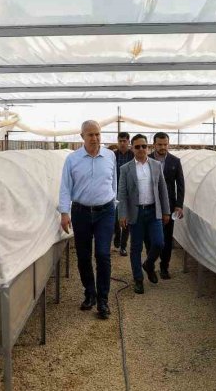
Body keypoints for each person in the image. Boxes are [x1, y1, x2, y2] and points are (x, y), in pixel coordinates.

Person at [59, 120, 117, 319]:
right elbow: (65, 187)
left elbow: (113, 183)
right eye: (90, 135)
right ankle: (89, 293)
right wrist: (64, 213)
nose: (94, 138)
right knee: (83, 256)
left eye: (97, 134)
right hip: (81, 212)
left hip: (105, 211)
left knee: (102, 254)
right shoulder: (72, 159)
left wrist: (114, 205)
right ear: (82, 136)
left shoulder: (110, 156)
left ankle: (103, 300)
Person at [118, 134, 170, 294]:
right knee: (136, 247)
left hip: (153, 211)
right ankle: (138, 279)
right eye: (137, 146)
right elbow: (122, 193)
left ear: (148, 147)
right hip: (136, 212)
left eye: (144, 146)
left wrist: (166, 211)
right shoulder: (125, 169)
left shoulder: (156, 165)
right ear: (132, 148)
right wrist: (122, 214)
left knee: (159, 243)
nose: (141, 149)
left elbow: (163, 190)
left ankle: (148, 264)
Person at [148, 132, 185, 279]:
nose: (163, 147)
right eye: (160, 144)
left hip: (168, 206)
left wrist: (179, 205)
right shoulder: (147, 159)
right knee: (151, 238)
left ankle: (164, 266)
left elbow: (180, 185)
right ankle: (150, 264)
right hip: (150, 204)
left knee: (167, 238)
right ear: (154, 145)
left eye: (165, 144)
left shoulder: (175, 161)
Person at [112, 131, 134, 256]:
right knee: (115, 217)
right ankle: (117, 234)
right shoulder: (113, 155)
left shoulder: (133, 155)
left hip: (128, 191)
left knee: (126, 218)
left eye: (124, 141)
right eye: (120, 141)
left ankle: (123, 246)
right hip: (115, 190)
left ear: (128, 142)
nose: (122, 143)